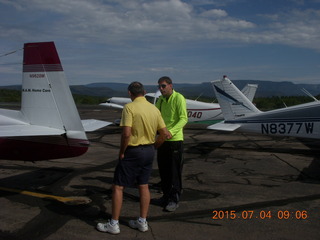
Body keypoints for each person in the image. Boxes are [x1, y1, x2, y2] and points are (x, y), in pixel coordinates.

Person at [97, 82, 170, 234]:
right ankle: (142, 222)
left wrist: (122, 151)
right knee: (143, 185)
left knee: (118, 186)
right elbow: (164, 133)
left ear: (130, 93)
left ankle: (114, 224)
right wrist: (154, 147)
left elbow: (126, 134)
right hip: (149, 150)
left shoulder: (129, 108)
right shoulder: (154, 109)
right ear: (143, 92)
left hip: (133, 151)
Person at [155, 76, 188, 212]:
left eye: (163, 86)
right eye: (159, 86)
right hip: (163, 141)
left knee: (174, 172)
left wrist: (171, 132)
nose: (161, 89)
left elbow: (183, 118)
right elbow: (156, 117)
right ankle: (166, 196)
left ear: (170, 85)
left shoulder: (178, 98)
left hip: (175, 141)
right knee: (164, 171)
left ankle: (174, 199)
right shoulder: (161, 100)